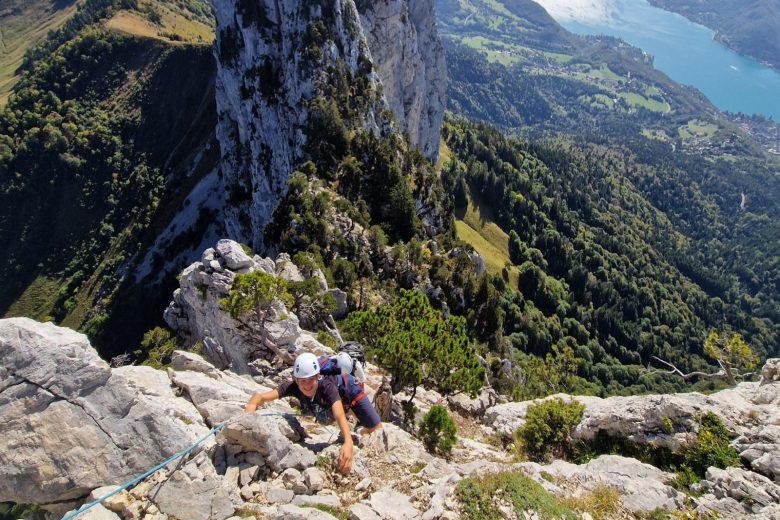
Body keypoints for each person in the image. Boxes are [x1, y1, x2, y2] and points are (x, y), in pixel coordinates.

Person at [244, 352, 382, 474]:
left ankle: (359, 426)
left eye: (311, 379)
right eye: (302, 381)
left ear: (317, 376)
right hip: (328, 405)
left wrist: (348, 441)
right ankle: (354, 419)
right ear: (296, 380)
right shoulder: (292, 386)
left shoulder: (326, 384)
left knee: (376, 428)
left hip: (350, 392)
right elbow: (260, 397)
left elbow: (338, 411)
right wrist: (249, 413)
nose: (307, 384)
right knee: (325, 415)